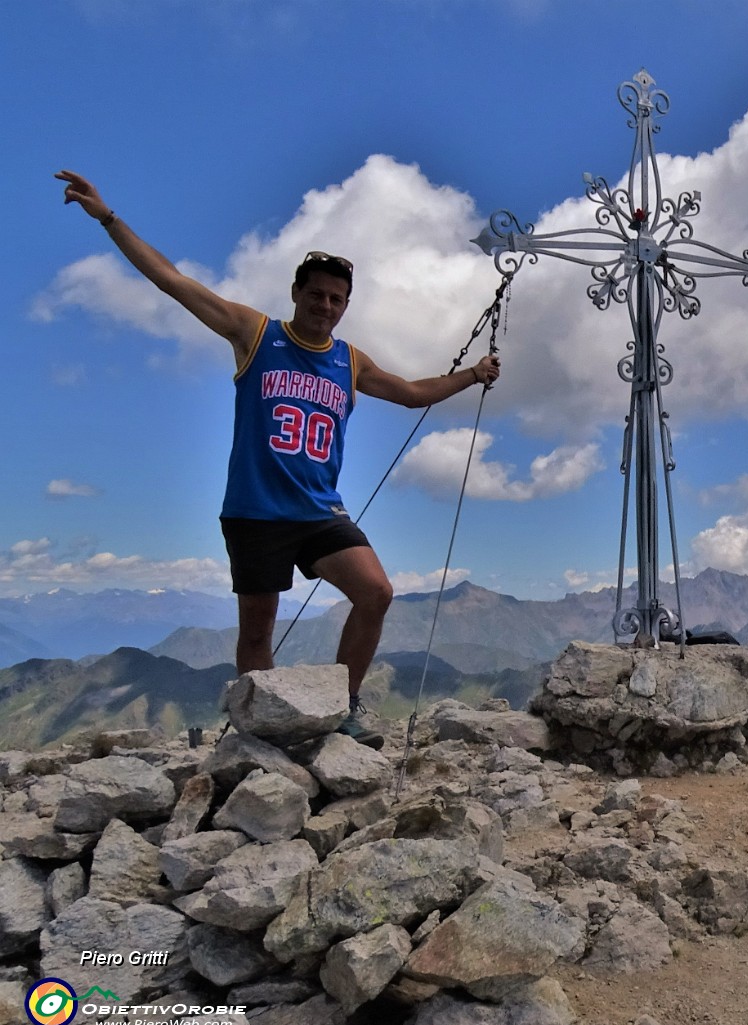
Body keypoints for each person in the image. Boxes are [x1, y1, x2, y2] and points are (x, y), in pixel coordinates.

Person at [57, 170, 502, 749]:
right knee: (257, 632)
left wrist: (472, 375)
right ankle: (263, 733)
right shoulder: (255, 333)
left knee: (376, 592)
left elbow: (413, 393)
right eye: (315, 294)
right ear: (296, 293)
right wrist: (109, 218)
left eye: (336, 299)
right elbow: (171, 281)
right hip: (255, 511)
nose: (325, 305)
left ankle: (343, 707)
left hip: (320, 511)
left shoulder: (349, 360)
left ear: (346, 306)